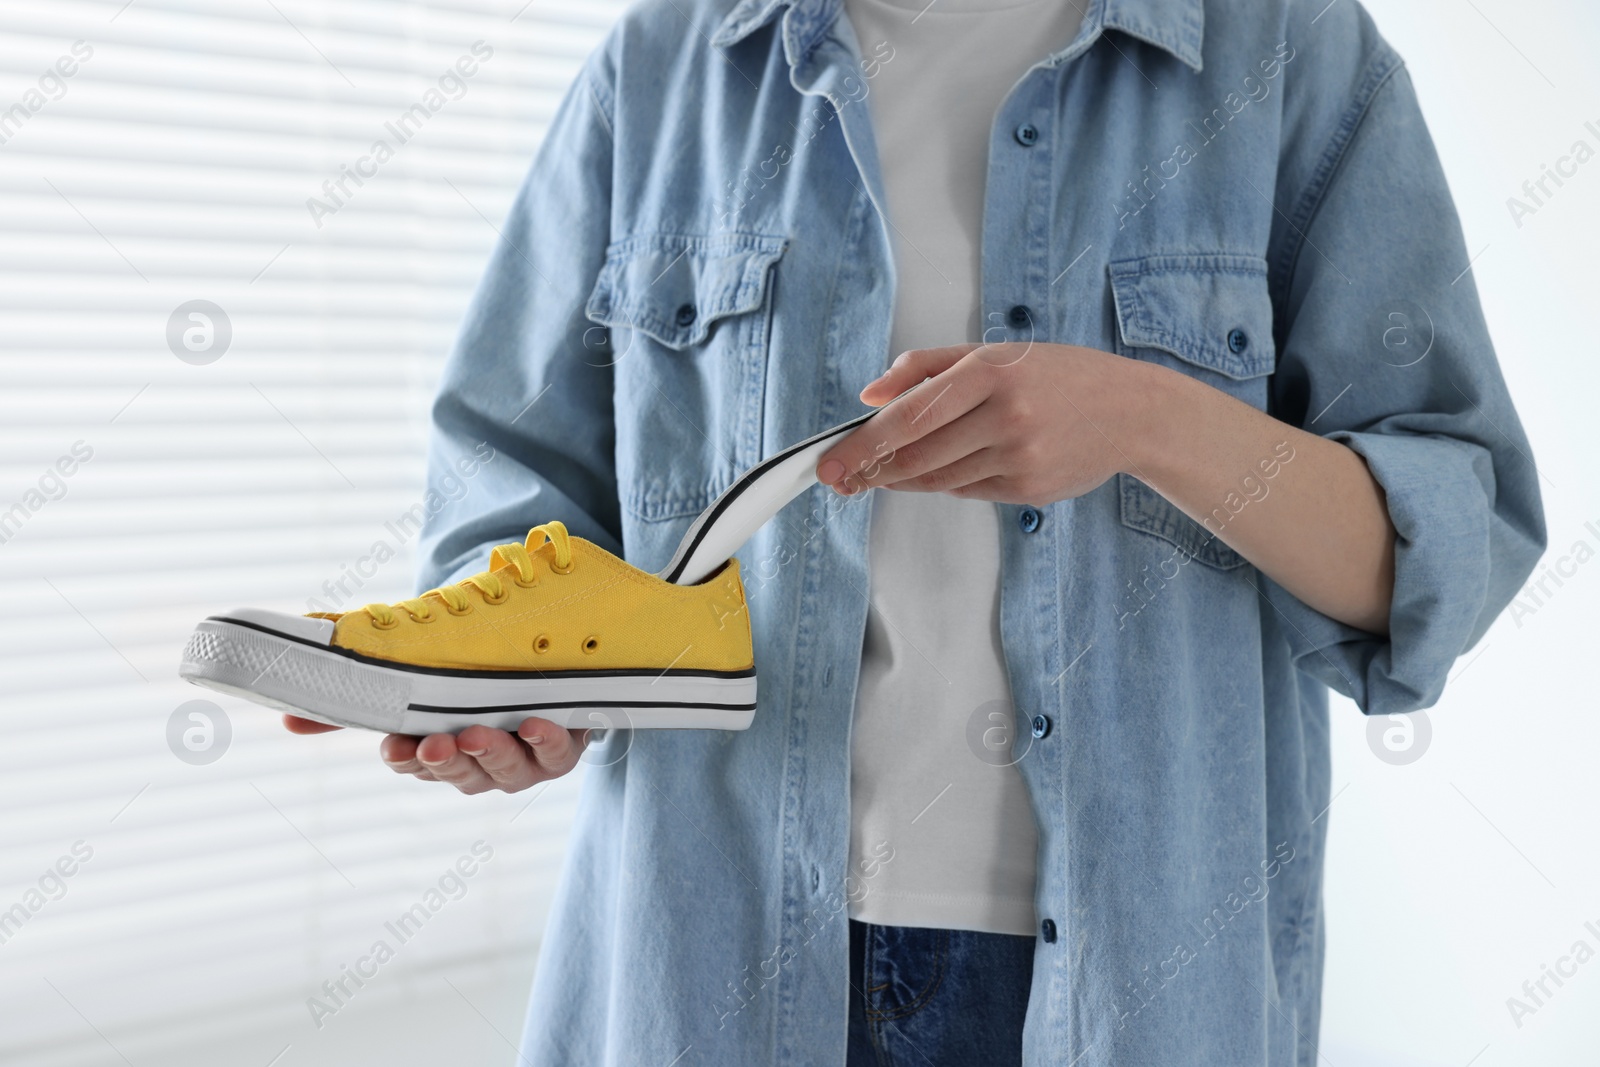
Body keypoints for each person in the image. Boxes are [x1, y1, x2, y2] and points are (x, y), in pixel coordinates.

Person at [286, 0, 1545, 1062]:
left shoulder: (1278, 50)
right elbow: (514, 493)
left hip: (1138, 988)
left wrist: (1151, 420)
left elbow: (1450, 545)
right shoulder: (670, 59)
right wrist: (515, 708)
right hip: (703, 961)